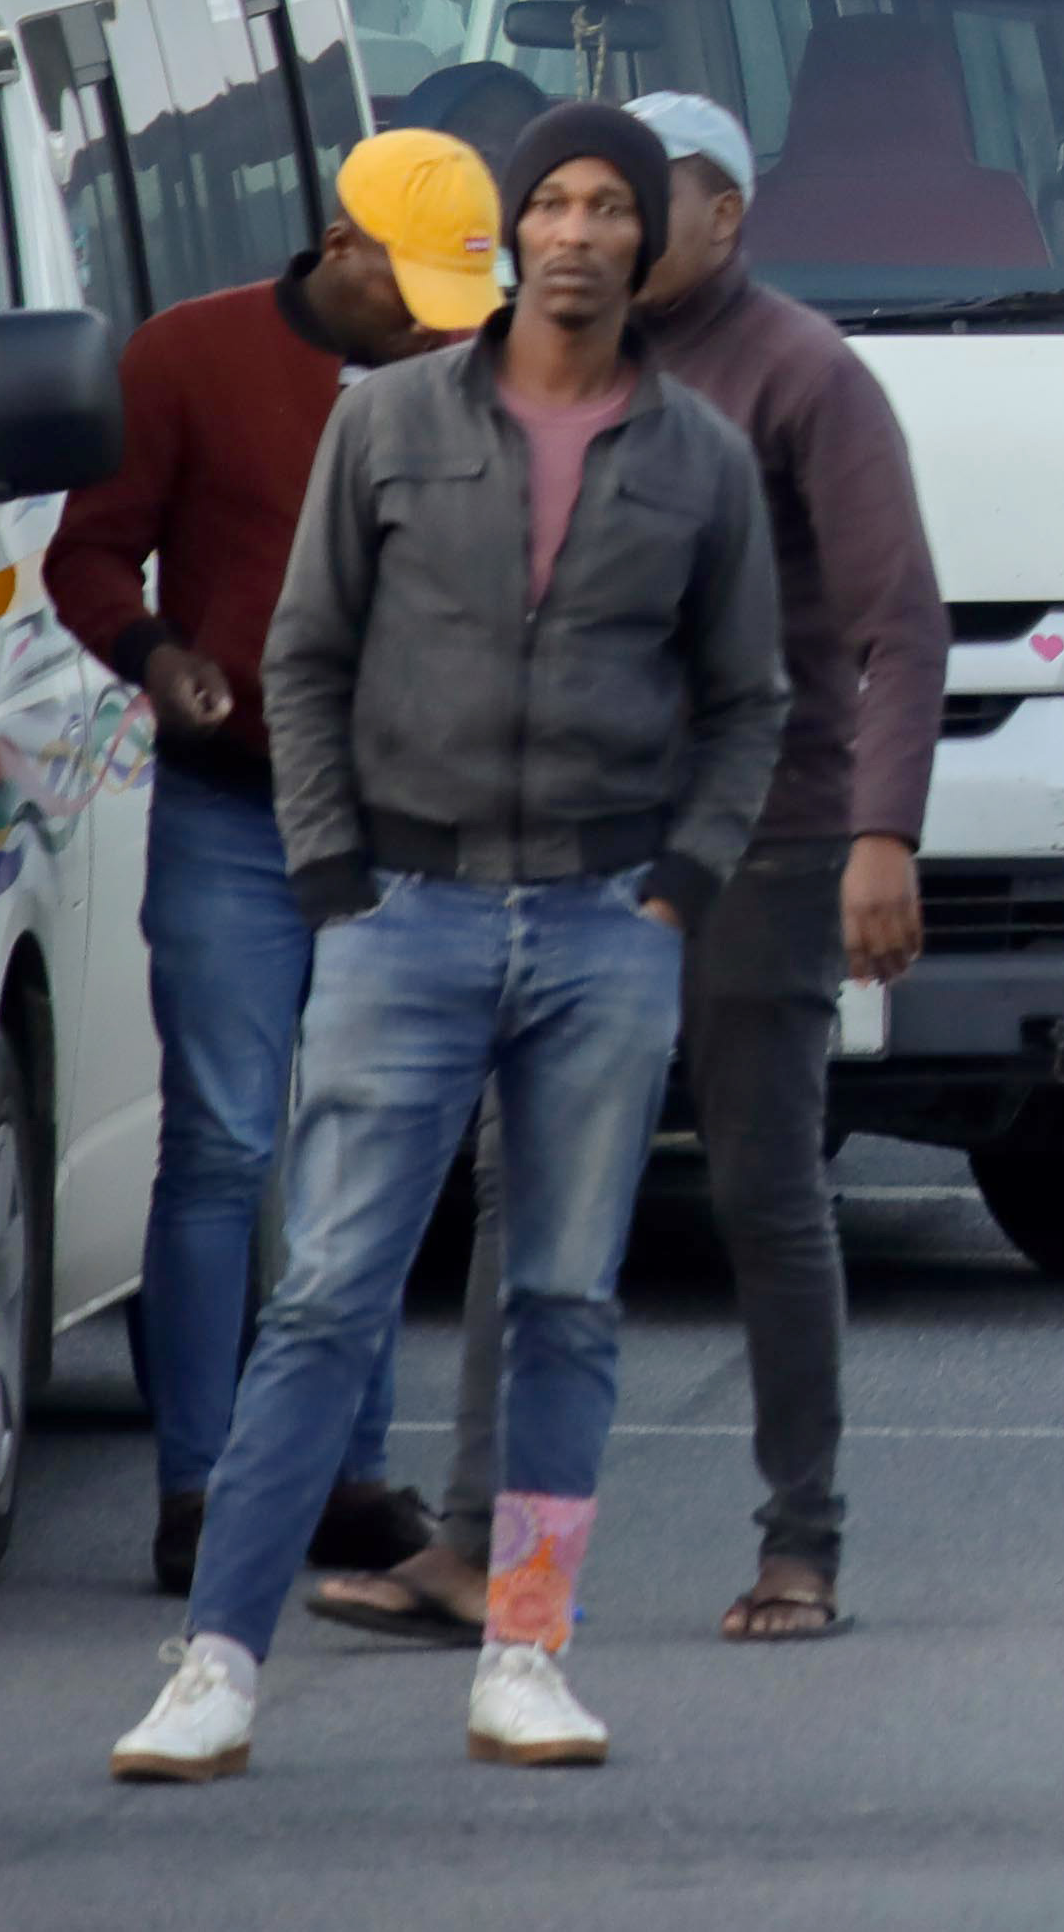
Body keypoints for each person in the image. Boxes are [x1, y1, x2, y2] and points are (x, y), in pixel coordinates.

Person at [110, 104, 789, 1782]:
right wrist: (335, 866)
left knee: (564, 1300)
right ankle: (215, 1661)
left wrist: (682, 882)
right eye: (545, 202)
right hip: (402, 912)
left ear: (645, 241)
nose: (571, 232)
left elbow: (749, 696)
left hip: (602, 921)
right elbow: (309, 654)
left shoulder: (696, 454)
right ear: (514, 233)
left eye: (602, 208)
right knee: (330, 1293)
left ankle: (529, 1644)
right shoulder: (395, 422)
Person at [315, 92, 942, 1653]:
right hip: (567, 847)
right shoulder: (542, 377)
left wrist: (883, 832)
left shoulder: (802, 375)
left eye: (637, 204)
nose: (601, 233)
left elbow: (897, 618)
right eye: (572, 205)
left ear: (719, 216)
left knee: (761, 1188)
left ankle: (803, 1540)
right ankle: (484, 1555)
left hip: (763, 839)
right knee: (520, 1196)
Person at [43, 130, 497, 1595]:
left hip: (406, 821)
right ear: (339, 242)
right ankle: (197, 1482)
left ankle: (347, 1472)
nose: (428, 317)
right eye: (407, 288)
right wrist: (158, 656)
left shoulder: (476, 374)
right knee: (228, 1140)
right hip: (234, 807)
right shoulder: (188, 359)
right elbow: (90, 553)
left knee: (362, 1138)